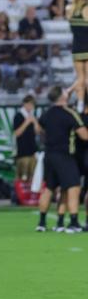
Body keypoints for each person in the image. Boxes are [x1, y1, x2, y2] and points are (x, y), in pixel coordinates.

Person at [36, 86, 88, 234]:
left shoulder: (47, 113)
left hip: (49, 155)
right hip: (65, 155)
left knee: (49, 188)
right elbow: (84, 135)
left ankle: (42, 222)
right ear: (63, 96)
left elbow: (38, 129)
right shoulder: (70, 113)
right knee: (73, 187)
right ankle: (73, 222)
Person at [65, 0, 88, 107]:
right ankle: (70, 93)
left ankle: (79, 102)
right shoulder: (87, 9)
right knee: (86, 79)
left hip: (76, 48)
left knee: (80, 78)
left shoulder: (69, 9)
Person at [12, 96, 42, 191]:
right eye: (29, 104)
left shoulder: (33, 116)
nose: (30, 107)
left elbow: (38, 132)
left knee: (32, 175)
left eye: (32, 105)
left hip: (33, 151)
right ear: (24, 104)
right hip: (22, 152)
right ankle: (18, 195)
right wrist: (27, 122)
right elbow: (17, 133)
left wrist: (35, 122)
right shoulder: (19, 116)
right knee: (22, 176)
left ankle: (30, 195)